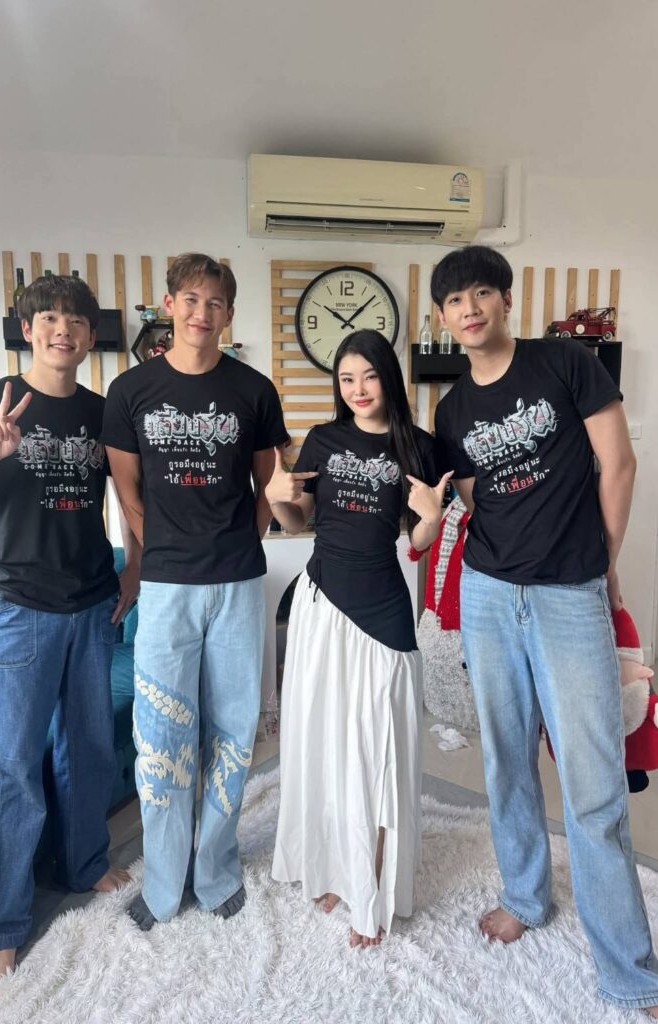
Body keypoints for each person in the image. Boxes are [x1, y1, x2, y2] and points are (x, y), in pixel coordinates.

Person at [431, 245, 658, 1022]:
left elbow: (619, 464)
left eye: (481, 293)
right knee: (505, 758)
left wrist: (602, 562)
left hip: (569, 592)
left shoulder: (567, 364)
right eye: (454, 301)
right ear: (441, 318)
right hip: (487, 592)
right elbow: (474, 500)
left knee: (593, 780)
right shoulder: (451, 410)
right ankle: (523, 896)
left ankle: (631, 974)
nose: (469, 309)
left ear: (504, 300)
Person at [0, 274, 139, 986]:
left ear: (90, 335)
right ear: (28, 331)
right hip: (20, 609)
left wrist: (134, 569)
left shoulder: (102, 410)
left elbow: (126, 496)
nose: (64, 330)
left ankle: (84, 864)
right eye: (49, 318)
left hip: (92, 605)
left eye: (76, 320)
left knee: (86, 748)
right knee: (11, 767)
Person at [102, 253, 289, 930]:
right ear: (168, 305)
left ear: (228, 314)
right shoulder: (131, 390)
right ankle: (162, 883)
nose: (201, 313)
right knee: (161, 733)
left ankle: (214, 870)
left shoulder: (253, 390)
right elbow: (127, 493)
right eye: (190, 299)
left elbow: (269, 485)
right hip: (166, 585)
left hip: (237, 581)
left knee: (233, 730)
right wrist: (160, 552)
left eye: (214, 303)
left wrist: (241, 541)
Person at [270, 329, 450, 948]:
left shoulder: (417, 446)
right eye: (346, 379)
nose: (358, 390)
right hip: (320, 604)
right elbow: (299, 519)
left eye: (369, 376)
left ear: (388, 377)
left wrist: (432, 520)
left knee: (378, 751)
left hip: (382, 610)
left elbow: (417, 539)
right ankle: (332, 867)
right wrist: (277, 499)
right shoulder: (323, 439)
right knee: (324, 741)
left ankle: (369, 878)